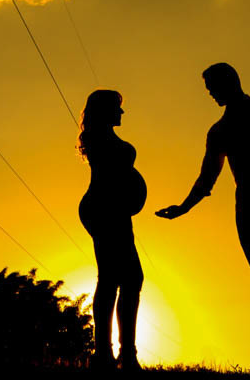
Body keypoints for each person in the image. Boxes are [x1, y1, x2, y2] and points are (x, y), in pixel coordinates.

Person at [155, 62, 250, 380]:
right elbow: (208, 176)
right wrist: (184, 207)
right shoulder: (219, 130)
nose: (211, 93)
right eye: (208, 89)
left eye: (213, 86)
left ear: (232, 81)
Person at [78, 89, 147, 372]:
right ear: (105, 111)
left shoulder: (103, 137)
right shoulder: (99, 139)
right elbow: (111, 177)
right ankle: (110, 354)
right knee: (116, 279)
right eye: (117, 108)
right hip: (105, 209)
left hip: (114, 210)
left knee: (123, 279)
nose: (122, 113)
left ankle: (115, 353)